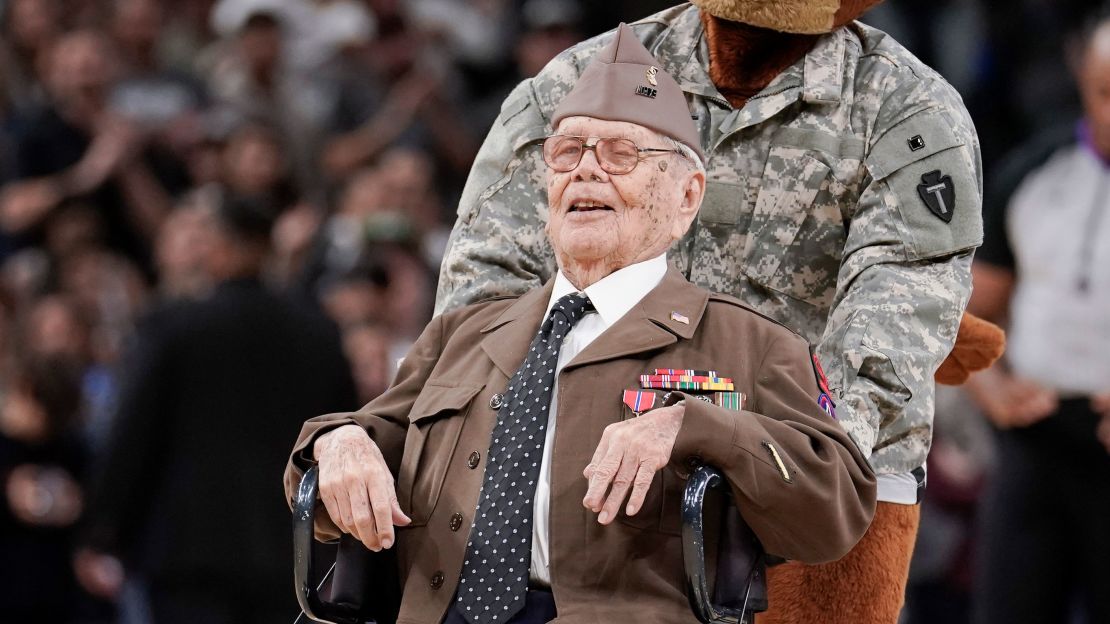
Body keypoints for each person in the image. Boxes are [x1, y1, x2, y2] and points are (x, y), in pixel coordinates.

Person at [285, 27, 876, 624]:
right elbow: (354, 451)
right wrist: (339, 442)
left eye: (620, 153)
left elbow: (837, 512)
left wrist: (699, 427)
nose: (586, 172)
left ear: (686, 197)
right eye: (567, 152)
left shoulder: (753, 344)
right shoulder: (461, 335)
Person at [434, 2, 991, 620]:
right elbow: (485, 281)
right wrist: (504, 440)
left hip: (815, 461)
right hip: (601, 457)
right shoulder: (586, 80)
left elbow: (896, 312)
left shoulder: (907, 106)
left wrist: (785, 462)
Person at [79, 193, 358, 624]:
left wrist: (101, 528)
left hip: (186, 555)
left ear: (225, 246)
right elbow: (344, 436)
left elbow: (133, 435)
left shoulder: (172, 325)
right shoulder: (319, 332)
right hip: (291, 553)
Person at [965, 12, 1110, 624]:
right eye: (1107, 92)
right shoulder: (1030, 174)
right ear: (1082, 79)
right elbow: (963, 319)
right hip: (1037, 435)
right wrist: (986, 385)